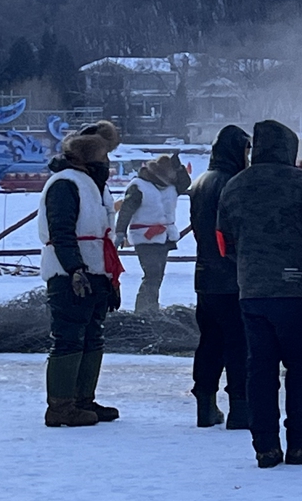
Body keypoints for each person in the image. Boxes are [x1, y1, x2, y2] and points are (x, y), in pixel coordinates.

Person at [217, 120, 302, 469]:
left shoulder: (235, 185)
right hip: (298, 292)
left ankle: (265, 446)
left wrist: (250, 267)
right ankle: (301, 441)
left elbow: (224, 240)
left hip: (252, 291)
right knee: (301, 368)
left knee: (260, 368)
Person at [38, 121, 124, 427]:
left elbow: (103, 233)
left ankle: (83, 400)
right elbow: (61, 231)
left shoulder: (94, 186)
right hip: (70, 273)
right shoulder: (66, 184)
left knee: (92, 335)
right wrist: (74, 269)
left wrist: (109, 278)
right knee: (69, 337)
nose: (108, 165)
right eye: (104, 159)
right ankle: (61, 405)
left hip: (97, 270)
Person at [188, 125, 251, 430]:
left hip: (205, 274)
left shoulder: (200, 182)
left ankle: (205, 402)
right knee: (238, 342)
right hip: (233, 274)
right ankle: (240, 405)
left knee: (209, 341)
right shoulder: (235, 183)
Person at [115, 153, 191, 313]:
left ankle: (150, 309)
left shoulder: (170, 187)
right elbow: (126, 211)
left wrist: (179, 168)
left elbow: (185, 182)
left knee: (157, 276)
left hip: (165, 237)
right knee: (152, 275)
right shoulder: (138, 186)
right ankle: (144, 310)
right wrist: (120, 232)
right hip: (145, 237)